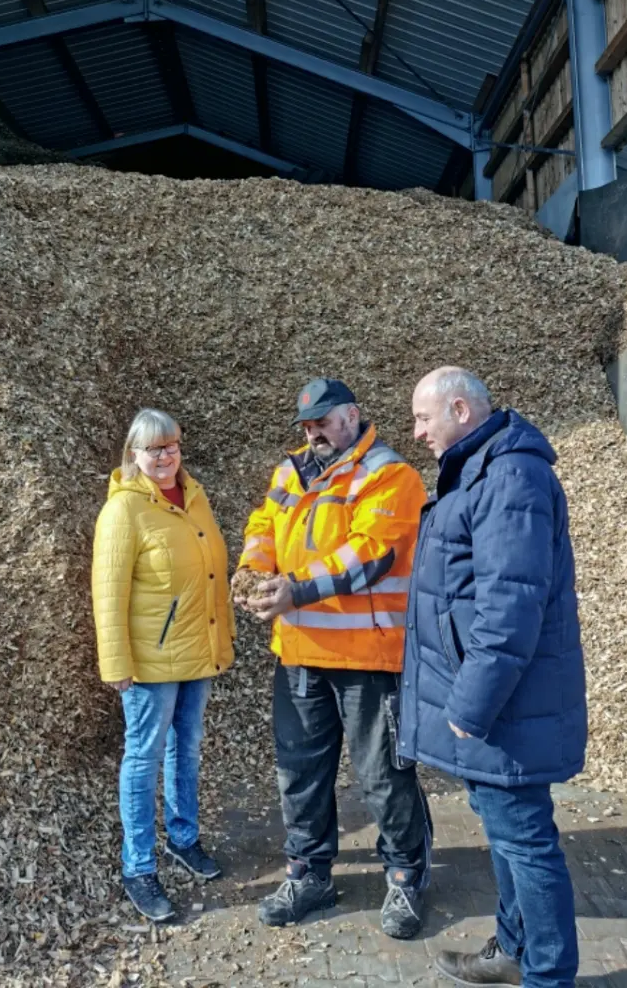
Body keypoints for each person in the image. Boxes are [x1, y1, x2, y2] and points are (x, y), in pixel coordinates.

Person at [399, 367, 586, 988]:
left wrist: (471, 705)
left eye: (425, 418)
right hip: (491, 702)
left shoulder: (510, 476)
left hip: (503, 706)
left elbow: (511, 607)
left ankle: (549, 976)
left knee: (526, 840)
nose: (418, 431)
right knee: (506, 834)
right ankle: (514, 949)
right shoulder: (482, 467)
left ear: (460, 409)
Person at [233, 378, 432, 937]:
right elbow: (263, 526)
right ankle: (309, 873)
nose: (313, 431)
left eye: (323, 420)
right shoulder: (290, 470)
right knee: (300, 773)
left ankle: (405, 877)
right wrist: (254, 571)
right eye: (306, 423)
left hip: (367, 655)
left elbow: (370, 553)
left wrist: (293, 588)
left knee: (383, 775)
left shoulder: (390, 474)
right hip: (299, 653)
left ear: (352, 415)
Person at [91, 408, 235, 922]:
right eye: (153, 448)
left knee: (186, 750)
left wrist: (224, 636)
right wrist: (117, 664)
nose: (164, 455)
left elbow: (213, 573)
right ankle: (138, 867)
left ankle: (183, 838)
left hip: (196, 651)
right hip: (150, 663)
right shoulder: (123, 512)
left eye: (171, 444)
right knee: (143, 758)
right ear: (134, 454)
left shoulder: (194, 498)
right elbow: (108, 595)